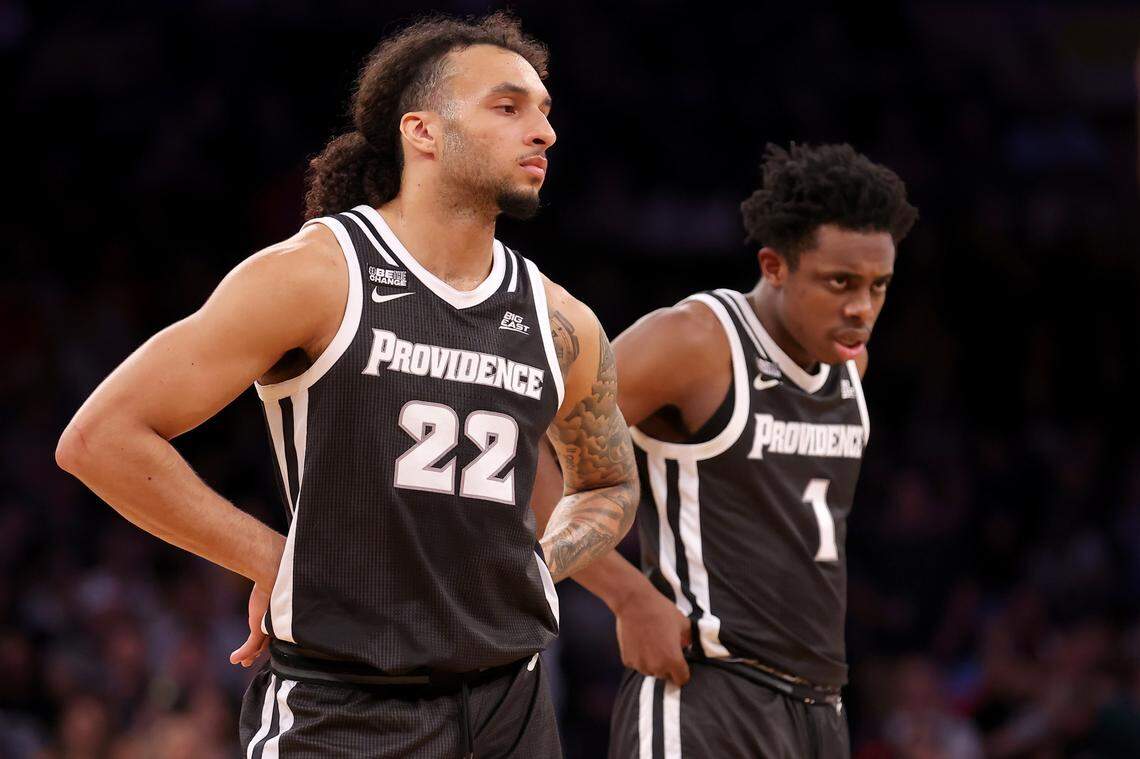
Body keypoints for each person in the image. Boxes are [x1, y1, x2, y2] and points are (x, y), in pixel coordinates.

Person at [55, 13, 639, 758]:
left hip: (512, 709)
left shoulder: (561, 319)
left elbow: (609, 483)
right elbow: (100, 438)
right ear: (421, 131)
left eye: (545, 112)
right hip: (348, 707)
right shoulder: (317, 275)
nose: (544, 132)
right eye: (508, 106)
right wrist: (275, 558)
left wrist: (540, 559)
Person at [533, 142, 917, 757]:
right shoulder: (695, 342)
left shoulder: (851, 363)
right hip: (708, 692)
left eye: (878, 287)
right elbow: (530, 447)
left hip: (820, 705)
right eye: (839, 283)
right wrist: (628, 597)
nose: (860, 308)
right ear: (774, 265)